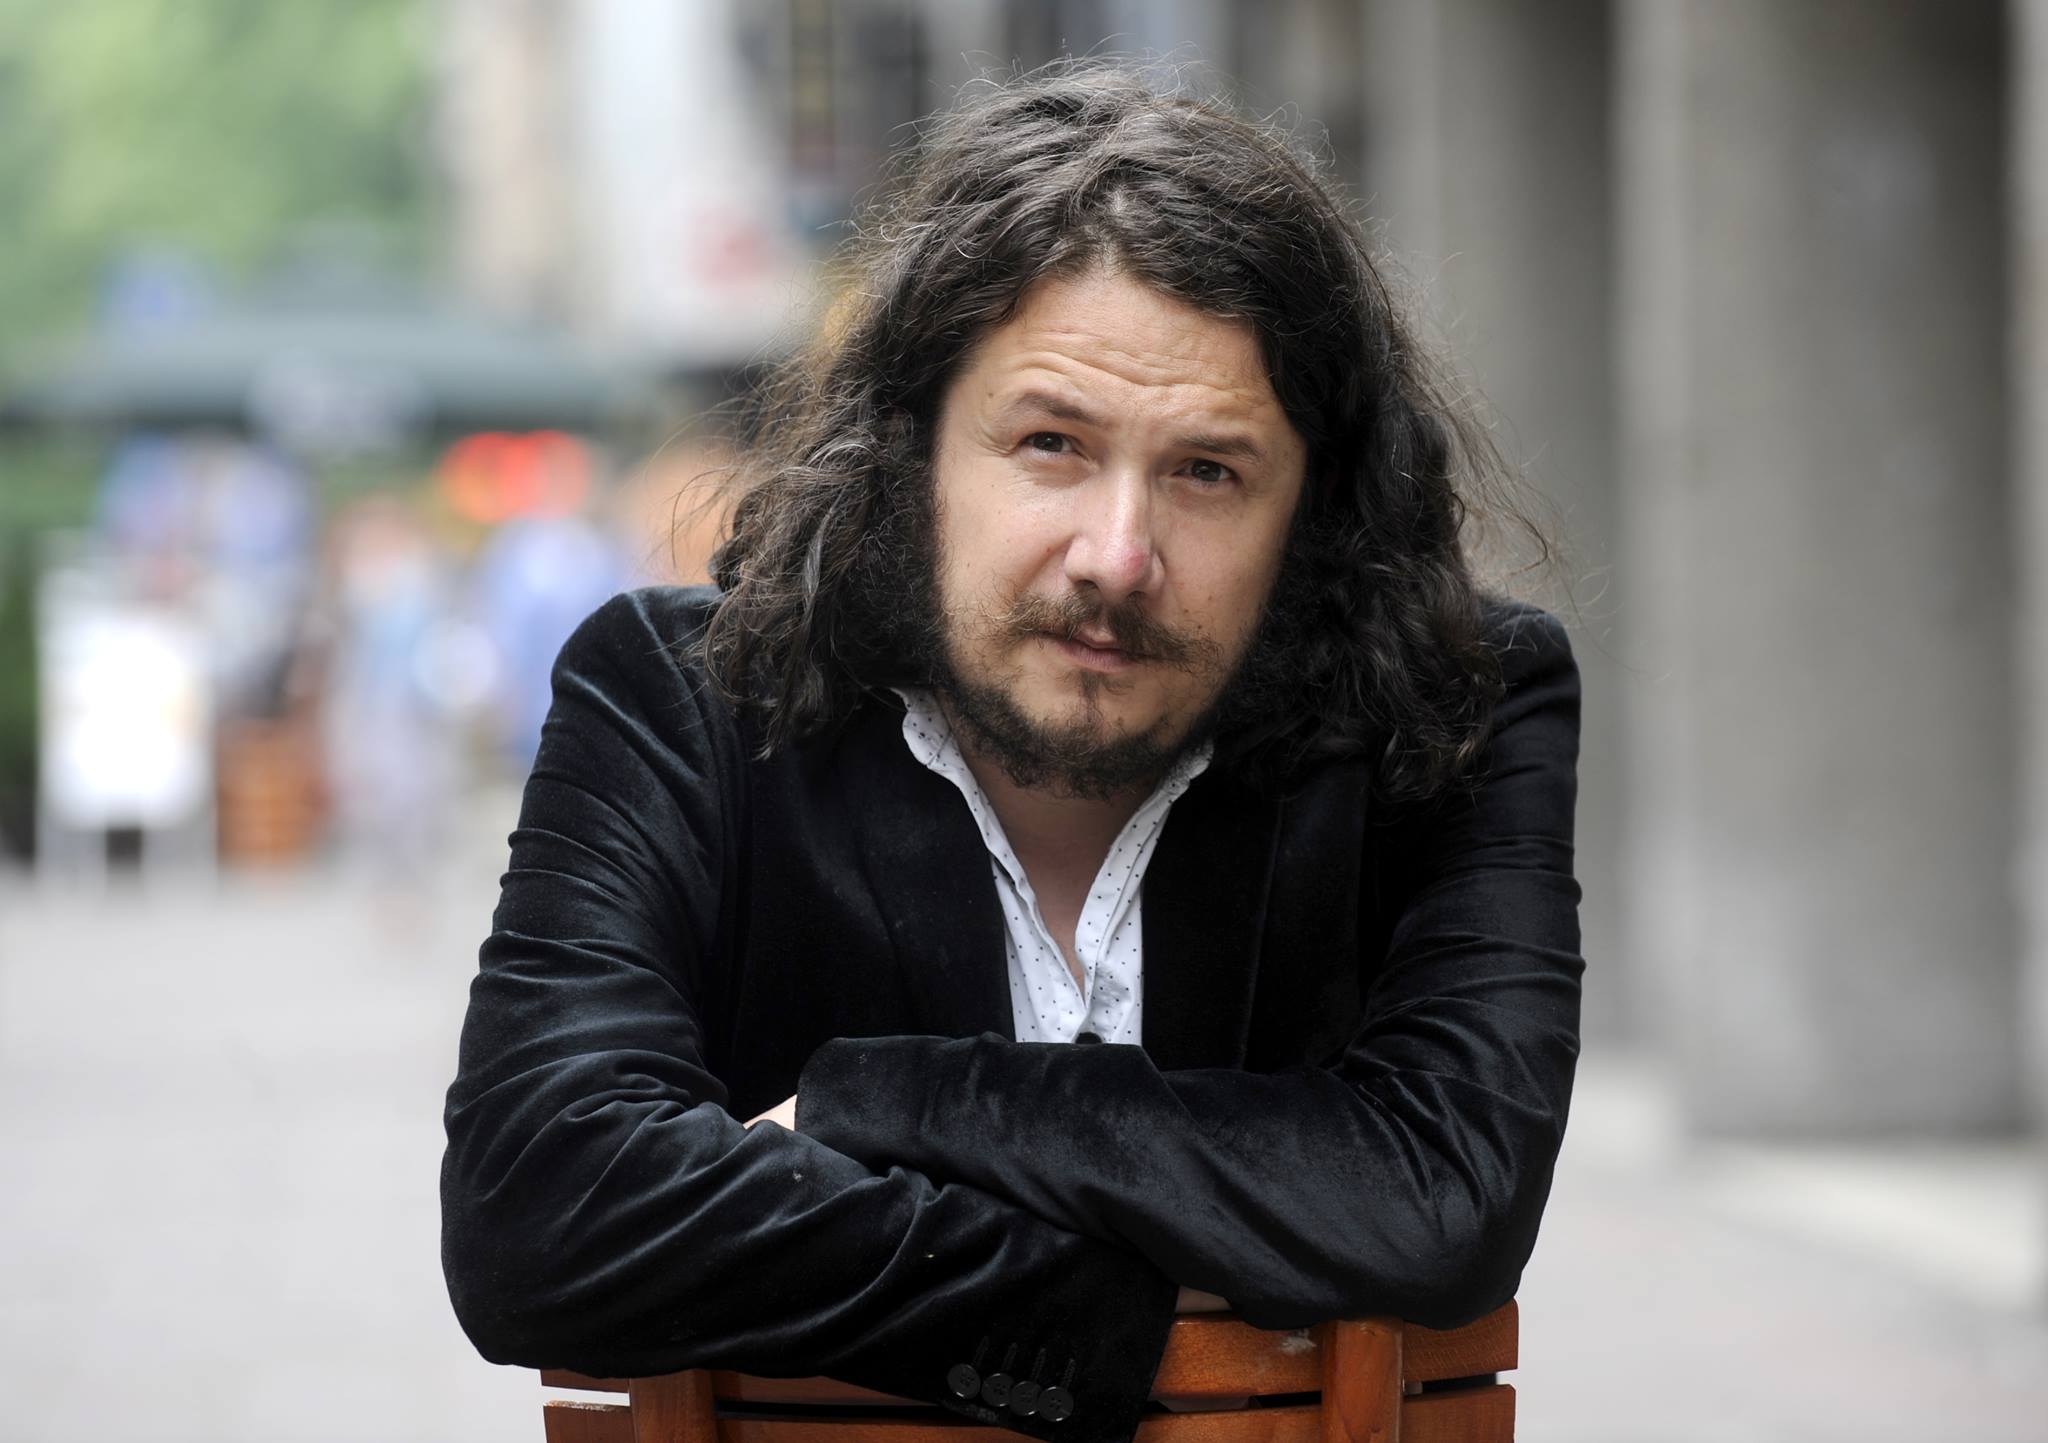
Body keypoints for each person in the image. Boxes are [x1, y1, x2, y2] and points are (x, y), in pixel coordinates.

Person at [439, 61, 1582, 1443]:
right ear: (912, 453)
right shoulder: (677, 705)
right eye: (1051, 443)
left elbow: (1444, 1196)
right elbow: (541, 1210)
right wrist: (1101, 1320)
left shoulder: (1453, 712)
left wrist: (885, 1102)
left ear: (1315, 517)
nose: (1119, 555)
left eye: (1208, 471)